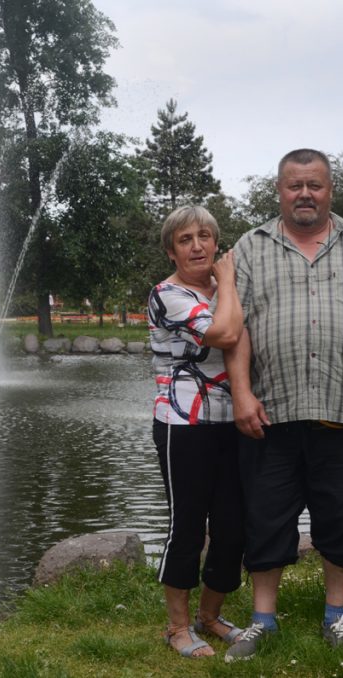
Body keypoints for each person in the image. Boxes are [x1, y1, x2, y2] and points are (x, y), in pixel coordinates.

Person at [223, 149, 343, 661]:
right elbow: (235, 331)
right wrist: (241, 393)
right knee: (266, 518)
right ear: (280, 191)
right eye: (295, 185)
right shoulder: (250, 247)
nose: (305, 194)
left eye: (314, 185)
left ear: (330, 190)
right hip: (269, 415)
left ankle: (337, 616)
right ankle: (262, 620)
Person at [147, 204, 246, 659]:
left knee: (233, 526)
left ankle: (210, 615)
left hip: (232, 423)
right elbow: (225, 335)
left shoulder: (226, 288)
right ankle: (177, 627)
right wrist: (229, 284)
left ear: (216, 243)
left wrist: (226, 286)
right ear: (171, 252)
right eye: (185, 240)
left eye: (204, 236)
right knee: (187, 524)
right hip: (182, 425)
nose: (197, 246)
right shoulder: (167, 294)